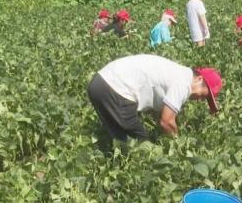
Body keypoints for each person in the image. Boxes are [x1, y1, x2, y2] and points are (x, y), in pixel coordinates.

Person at [87, 54, 223, 141]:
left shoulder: (178, 73)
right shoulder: (183, 83)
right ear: (199, 79)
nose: (200, 99)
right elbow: (166, 122)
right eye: (204, 94)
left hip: (101, 82)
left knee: (120, 140)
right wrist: (177, 145)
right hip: (114, 88)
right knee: (141, 144)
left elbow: (159, 113)